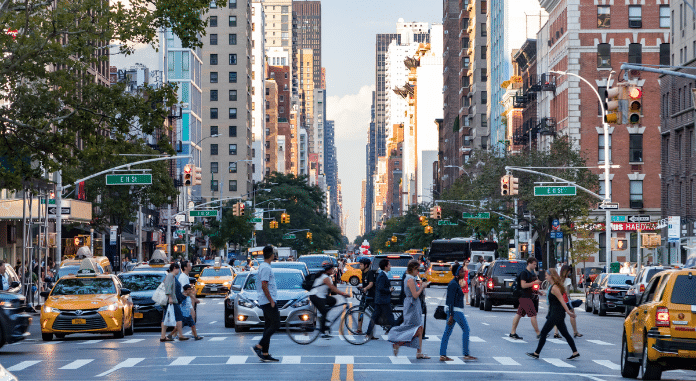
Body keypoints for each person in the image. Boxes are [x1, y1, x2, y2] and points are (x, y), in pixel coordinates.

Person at [526, 269, 580, 360]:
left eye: (547, 275)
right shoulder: (552, 286)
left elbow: (562, 301)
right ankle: (575, 352)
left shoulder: (555, 287)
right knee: (565, 334)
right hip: (557, 313)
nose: (546, 277)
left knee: (543, 333)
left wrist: (569, 312)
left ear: (551, 276)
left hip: (556, 314)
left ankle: (536, 353)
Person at [388, 260, 430, 359]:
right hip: (412, 305)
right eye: (417, 270)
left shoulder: (410, 278)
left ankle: (419, 352)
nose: (418, 272)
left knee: (419, 328)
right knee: (414, 328)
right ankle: (398, 343)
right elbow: (415, 295)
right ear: (413, 269)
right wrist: (422, 287)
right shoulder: (410, 279)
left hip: (412, 304)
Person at [440, 263, 476, 362]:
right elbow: (450, 300)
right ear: (456, 272)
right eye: (461, 271)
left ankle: (443, 354)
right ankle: (466, 354)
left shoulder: (455, 283)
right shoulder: (453, 284)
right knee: (466, 330)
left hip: (454, 311)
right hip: (455, 311)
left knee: (447, 332)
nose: (463, 272)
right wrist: (451, 315)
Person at [252, 246, 280, 362]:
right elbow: (264, 285)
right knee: (276, 324)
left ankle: (265, 353)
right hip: (267, 301)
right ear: (271, 254)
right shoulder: (265, 268)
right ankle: (258, 346)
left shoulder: (265, 267)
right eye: (274, 253)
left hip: (266, 300)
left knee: (268, 326)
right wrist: (271, 300)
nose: (275, 255)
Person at [308, 262, 349, 338]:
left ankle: (323, 317)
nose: (333, 270)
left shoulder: (326, 276)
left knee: (333, 300)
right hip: (316, 296)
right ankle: (323, 332)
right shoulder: (325, 277)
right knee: (323, 312)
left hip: (321, 296)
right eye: (332, 269)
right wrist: (343, 293)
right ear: (328, 270)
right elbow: (332, 288)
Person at [510, 257, 542, 340]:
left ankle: (512, 332)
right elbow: (523, 285)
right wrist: (534, 283)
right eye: (534, 264)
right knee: (533, 315)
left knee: (519, 314)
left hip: (527, 296)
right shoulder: (524, 273)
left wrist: (538, 292)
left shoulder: (530, 273)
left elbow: (530, 287)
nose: (535, 266)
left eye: (536, 264)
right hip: (524, 297)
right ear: (529, 263)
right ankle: (538, 333)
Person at [366, 259, 397, 340]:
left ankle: (368, 333)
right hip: (383, 300)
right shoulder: (382, 275)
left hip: (380, 300)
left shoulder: (382, 274)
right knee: (390, 317)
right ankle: (395, 333)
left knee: (374, 317)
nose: (390, 266)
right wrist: (389, 290)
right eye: (389, 265)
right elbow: (380, 288)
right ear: (385, 266)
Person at [160, 263, 187, 342]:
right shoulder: (170, 276)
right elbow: (168, 287)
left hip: (172, 300)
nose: (179, 271)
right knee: (179, 317)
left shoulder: (172, 276)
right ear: (174, 268)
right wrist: (170, 297)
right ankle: (180, 335)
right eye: (178, 269)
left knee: (165, 318)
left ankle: (163, 336)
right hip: (172, 301)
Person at [554, 265, 582, 338]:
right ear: (567, 271)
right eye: (569, 271)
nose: (570, 272)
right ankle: (575, 331)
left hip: (557, 299)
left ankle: (556, 332)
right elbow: (567, 292)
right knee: (572, 314)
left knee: (557, 315)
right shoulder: (568, 280)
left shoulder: (557, 279)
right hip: (565, 300)